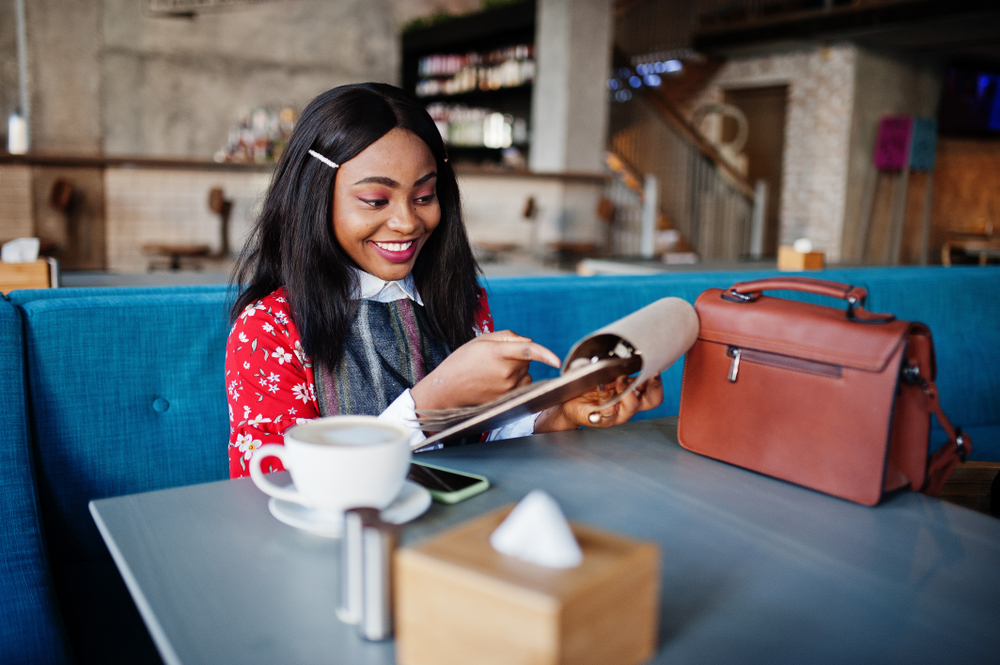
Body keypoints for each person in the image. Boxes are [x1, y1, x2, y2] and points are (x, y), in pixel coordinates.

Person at [226, 83, 662, 478]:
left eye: (424, 196)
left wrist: (562, 414)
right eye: (375, 200)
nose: (406, 222)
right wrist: (432, 401)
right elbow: (270, 483)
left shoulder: (460, 298)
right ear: (315, 197)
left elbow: (487, 440)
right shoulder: (269, 327)